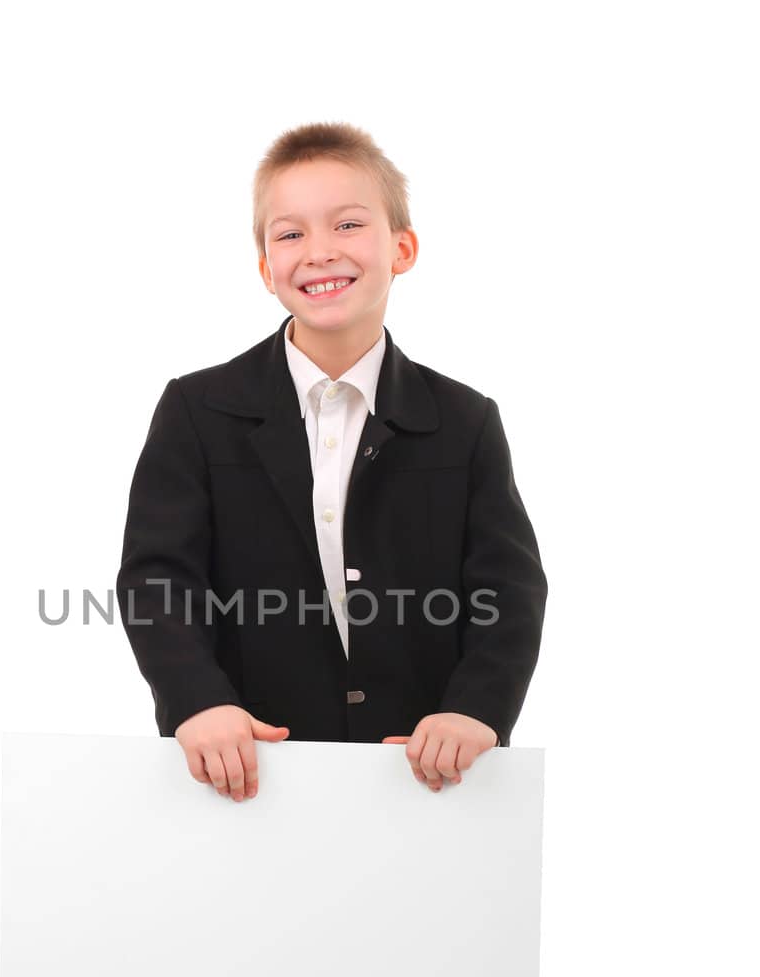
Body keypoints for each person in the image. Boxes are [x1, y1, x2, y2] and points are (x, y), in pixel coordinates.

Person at [116, 121, 547, 802]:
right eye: (289, 235)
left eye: (347, 225)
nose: (318, 252)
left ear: (401, 248)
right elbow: (158, 579)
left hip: (422, 773)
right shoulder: (197, 410)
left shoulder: (464, 421)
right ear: (265, 269)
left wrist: (477, 709)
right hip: (248, 767)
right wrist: (196, 702)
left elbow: (509, 590)